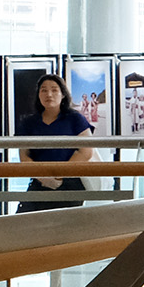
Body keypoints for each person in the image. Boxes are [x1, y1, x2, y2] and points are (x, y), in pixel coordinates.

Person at [16, 74, 94, 212]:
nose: (49, 94)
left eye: (54, 90)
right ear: (38, 94)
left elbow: (86, 152)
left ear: (63, 94)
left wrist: (58, 175)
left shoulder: (75, 118)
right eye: (44, 90)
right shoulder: (29, 122)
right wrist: (43, 177)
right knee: (27, 226)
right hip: (39, 182)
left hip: (69, 183)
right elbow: (24, 156)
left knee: (65, 228)